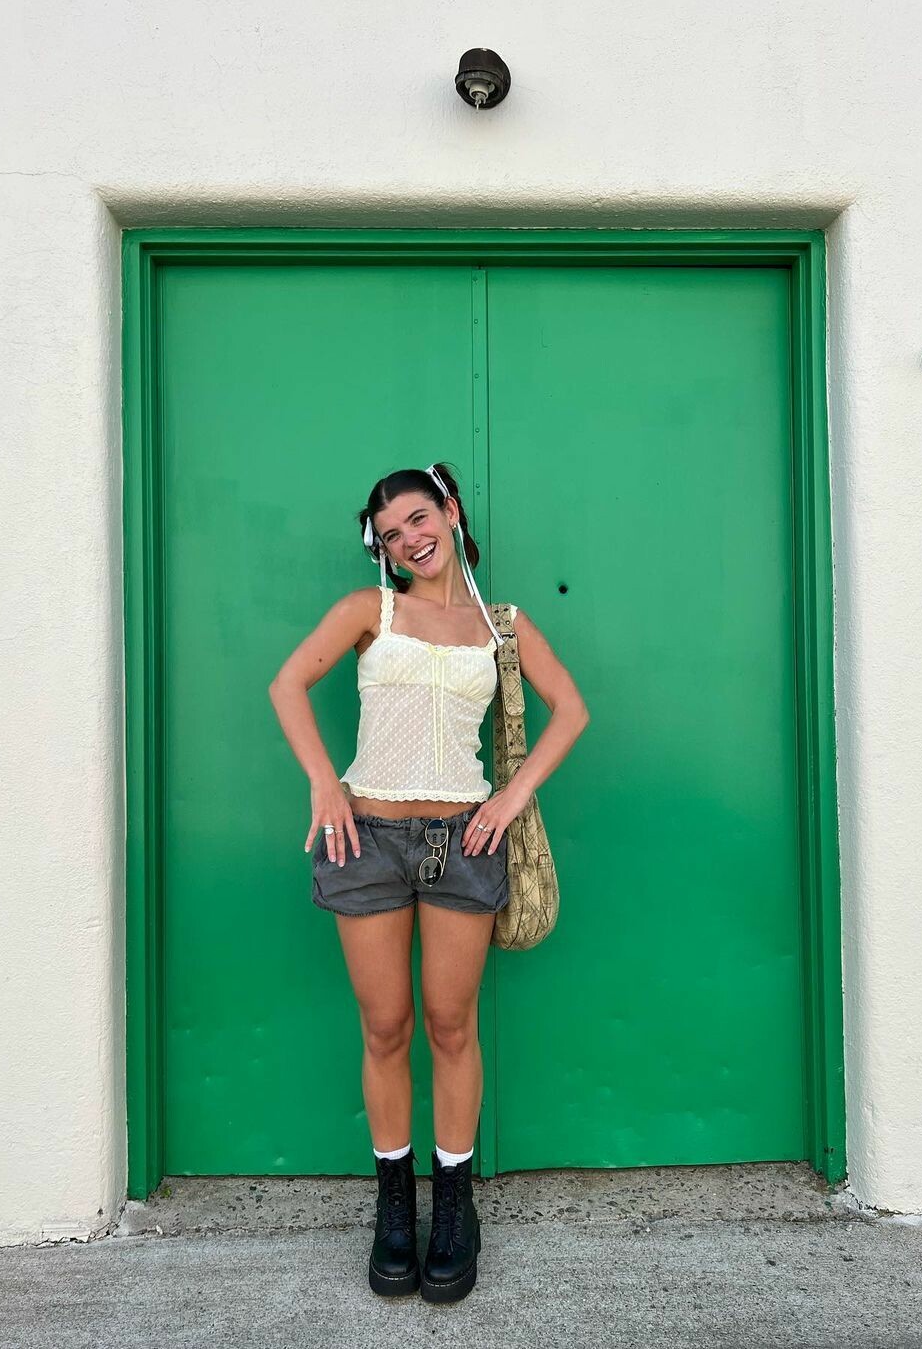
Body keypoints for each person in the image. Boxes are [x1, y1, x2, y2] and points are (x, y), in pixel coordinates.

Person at [267, 462, 590, 1303]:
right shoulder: (369, 611)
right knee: (386, 1029)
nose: (409, 539)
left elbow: (572, 710)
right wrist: (324, 781)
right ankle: (393, 1212)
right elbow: (287, 683)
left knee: (450, 1026)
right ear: (380, 548)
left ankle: (453, 1209)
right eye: (391, 533)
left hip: (463, 841)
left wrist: (512, 797)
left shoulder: (502, 626)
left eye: (418, 518)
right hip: (366, 840)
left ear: (449, 511)